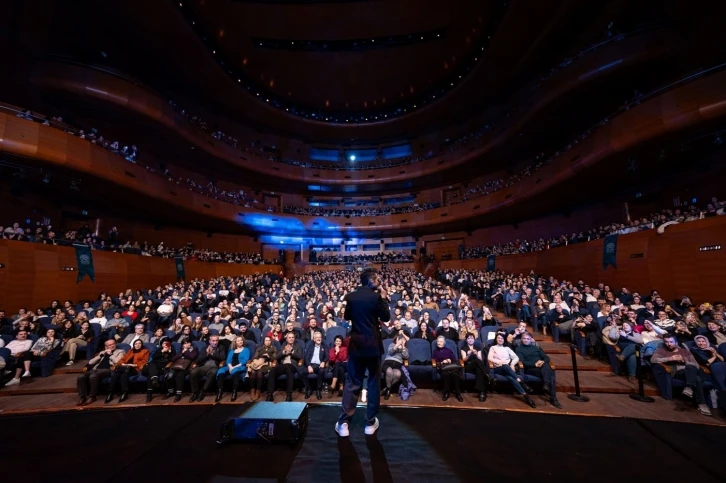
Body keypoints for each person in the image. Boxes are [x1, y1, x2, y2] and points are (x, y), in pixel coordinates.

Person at [336, 267, 390, 438]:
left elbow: (348, 316)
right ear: (371, 281)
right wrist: (382, 297)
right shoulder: (376, 297)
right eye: (377, 279)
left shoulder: (350, 296)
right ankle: (369, 423)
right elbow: (386, 317)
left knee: (352, 382)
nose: (379, 282)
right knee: (373, 383)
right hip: (373, 346)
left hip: (357, 346)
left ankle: (344, 423)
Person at [651, 334, 711, 416]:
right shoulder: (661, 350)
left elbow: (695, 364)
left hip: (690, 370)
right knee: (697, 379)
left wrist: (683, 360)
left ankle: (689, 388)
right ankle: (701, 404)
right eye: (666, 342)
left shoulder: (684, 351)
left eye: (671, 342)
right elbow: (653, 360)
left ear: (676, 342)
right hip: (677, 372)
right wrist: (671, 358)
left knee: (691, 367)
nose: (669, 344)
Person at [488, 333, 536, 408]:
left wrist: (512, 364)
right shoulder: (493, 348)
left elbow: (516, 357)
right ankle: (521, 382)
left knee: (510, 377)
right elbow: (489, 358)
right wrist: (499, 362)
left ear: (504, 340)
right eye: (499, 338)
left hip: (507, 369)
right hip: (497, 369)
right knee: (505, 366)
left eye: (502, 338)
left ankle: (526, 396)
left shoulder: (507, 348)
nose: (500, 339)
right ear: (496, 339)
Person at [515, 332, 561, 408]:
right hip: (530, 368)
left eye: (528, 339)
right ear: (521, 339)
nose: (526, 340)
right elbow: (522, 361)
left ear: (531, 340)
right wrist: (535, 364)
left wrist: (542, 361)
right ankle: (553, 398)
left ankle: (547, 386)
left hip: (541, 367)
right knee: (551, 375)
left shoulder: (536, 348)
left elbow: (546, 357)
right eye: (524, 338)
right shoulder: (519, 349)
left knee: (546, 365)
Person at [76, 340, 126, 406]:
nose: (112, 345)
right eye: (109, 345)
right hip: (95, 369)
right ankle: (83, 397)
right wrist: (100, 355)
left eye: (113, 344)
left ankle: (92, 396)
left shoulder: (120, 351)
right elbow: (91, 362)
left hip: (108, 369)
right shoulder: (102, 352)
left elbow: (118, 361)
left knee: (93, 376)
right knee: (80, 377)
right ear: (106, 347)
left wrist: (111, 354)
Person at [106, 339, 150, 403]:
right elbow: (122, 359)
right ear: (133, 345)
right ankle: (110, 393)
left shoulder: (145, 351)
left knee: (124, 375)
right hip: (125, 367)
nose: (137, 345)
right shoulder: (130, 351)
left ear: (141, 344)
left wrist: (134, 365)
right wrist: (123, 364)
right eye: (136, 344)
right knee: (116, 375)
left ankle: (125, 393)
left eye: (139, 343)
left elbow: (145, 361)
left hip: (134, 368)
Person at [267, 331, 303, 402]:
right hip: (283, 365)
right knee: (272, 371)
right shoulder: (283, 345)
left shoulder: (298, 345)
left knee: (289, 370)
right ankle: (270, 394)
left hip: (292, 365)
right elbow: (276, 357)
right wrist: (284, 352)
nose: (291, 339)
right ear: (286, 339)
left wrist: (292, 352)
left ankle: (289, 395)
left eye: (293, 337)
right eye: (289, 337)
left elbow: (300, 356)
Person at [189, 335, 227, 402]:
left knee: (214, 372)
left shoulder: (221, 347)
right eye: (213, 341)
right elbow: (198, 360)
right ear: (210, 341)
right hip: (203, 367)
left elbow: (223, 358)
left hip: (214, 367)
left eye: (216, 341)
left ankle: (202, 391)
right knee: (193, 372)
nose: (215, 342)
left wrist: (212, 354)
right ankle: (195, 393)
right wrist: (206, 354)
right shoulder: (205, 348)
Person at [216, 336, 250, 402]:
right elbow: (228, 360)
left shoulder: (246, 350)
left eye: (241, 340)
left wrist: (234, 367)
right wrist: (230, 366)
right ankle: (219, 392)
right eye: (238, 341)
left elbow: (245, 360)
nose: (240, 342)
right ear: (235, 343)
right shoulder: (232, 351)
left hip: (240, 366)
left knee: (235, 371)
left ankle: (234, 392)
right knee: (220, 371)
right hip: (230, 366)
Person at [459, 332, 489, 401]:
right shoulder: (464, 348)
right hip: (468, 366)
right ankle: (487, 375)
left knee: (479, 370)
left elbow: (481, 359)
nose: (470, 340)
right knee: (476, 361)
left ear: (474, 340)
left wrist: (476, 354)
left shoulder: (477, 348)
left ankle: (481, 392)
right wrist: (468, 355)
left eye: (472, 338)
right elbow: (463, 360)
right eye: (468, 338)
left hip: (477, 366)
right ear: (466, 340)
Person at [433, 335, 463, 401]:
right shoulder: (435, 352)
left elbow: (454, 360)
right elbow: (434, 361)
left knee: (455, 375)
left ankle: (458, 393)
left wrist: (449, 360)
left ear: (444, 343)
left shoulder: (448, 350)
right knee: (445, 375)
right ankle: (446, 393)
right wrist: (442, 362)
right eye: (438, 341)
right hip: (442, 368)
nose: (439, 343)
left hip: (451, 367)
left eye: (441, 341)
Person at [248, 336, 277, 401]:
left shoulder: (273, 348)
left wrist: (269, 356)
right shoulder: (260, 348)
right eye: (266, 340)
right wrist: (259, 359)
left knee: (259, 372)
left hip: (268, 364)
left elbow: (275, 359)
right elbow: (254, 357)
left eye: (269, 340)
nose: (268, 342)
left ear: (271, 341)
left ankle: (258, 391)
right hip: (259, 363)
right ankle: (252, 390)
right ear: (264, 342)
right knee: (253, 372)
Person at [301, 331, 328, 400]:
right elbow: (306, 357)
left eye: (320, 337)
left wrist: (324, 362)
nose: (319, 339)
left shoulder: (324, 346)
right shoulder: (310, 346)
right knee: (302, 373)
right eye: (317, 337)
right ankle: (308, 389)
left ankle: (318, 390)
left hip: (319, 365)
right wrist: (309, 366)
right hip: (311, 365)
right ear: (314, 339)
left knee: (321, 371)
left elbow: (327, 356)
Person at [381, 334, 409, 400]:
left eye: (401, 340)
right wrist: (396, 345)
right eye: (398, 340)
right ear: (396, 340)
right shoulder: (392, 345)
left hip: (398, 364)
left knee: (398, 374)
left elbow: (406, 356)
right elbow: (390, 352)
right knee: (389, 371)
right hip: (388, 362)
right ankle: (388, 391)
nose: (400, 341)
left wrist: (403, 347)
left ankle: (386, 388)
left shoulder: (405, 348)